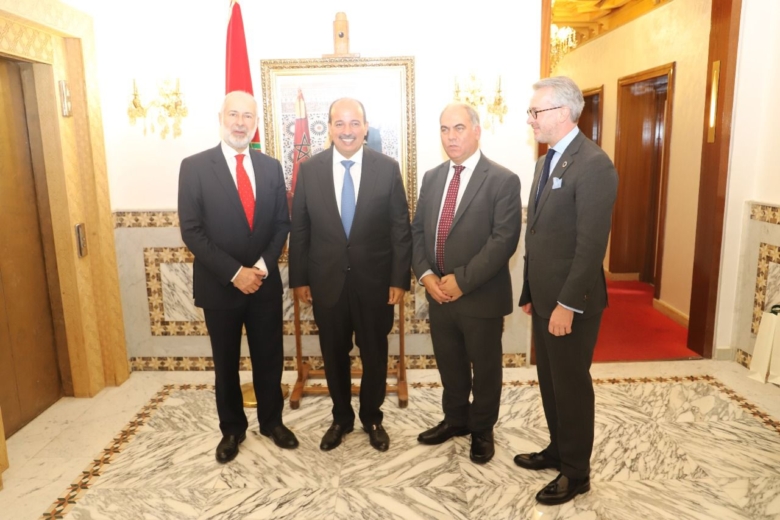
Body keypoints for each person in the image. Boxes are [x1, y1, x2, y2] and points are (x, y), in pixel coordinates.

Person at [178, 91, 298, 464]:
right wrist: (235, 273)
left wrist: (260, 268)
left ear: (256, 123)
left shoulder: (270, 167)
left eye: (248, 116)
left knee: (270, 359)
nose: (240, 122)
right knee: (226, 363)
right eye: (234, 114)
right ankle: (232, 429)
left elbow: (281, 224)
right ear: (221, 118)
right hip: (219, 286)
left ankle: (272, 422)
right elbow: (192, 231)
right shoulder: (195, 167)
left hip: (263, 284)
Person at [514, 76, 618, 505]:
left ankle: (576, 473)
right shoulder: (546, 161)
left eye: (535, 111)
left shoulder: (594, 164)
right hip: (544, 298)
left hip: (571, 303)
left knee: (571, 386)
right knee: (550, 381)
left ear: (562, 113)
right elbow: (538, 233)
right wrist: (529, 291)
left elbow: (590, 246)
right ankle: (558, 449)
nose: (531, 119)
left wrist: (566, 305)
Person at [288, 97, 412, 452]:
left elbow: (399, 229)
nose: (347, 130)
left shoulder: (387, 168)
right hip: (326, 283)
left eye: (354, 123)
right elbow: (301, 229)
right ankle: (341, 417)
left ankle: (372, 417)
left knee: (375, 354)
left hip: (375, 284)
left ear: (365, 128)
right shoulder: (309, 170)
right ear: (328, 128)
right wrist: (299, 279)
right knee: (333, 354)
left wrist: (399, 279)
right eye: (339, 123)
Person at [412, 102, 521, 464]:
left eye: (458, 128)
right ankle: (455, 419)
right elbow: (417, 232)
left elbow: (503, 241)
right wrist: (427, 276)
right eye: (444, 129)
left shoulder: (502, 180)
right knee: (450, 364)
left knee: (485, 368)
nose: (451, 137)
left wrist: (462, 281)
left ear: (476, 130)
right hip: (438, 294)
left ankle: (482, 428)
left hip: (480, 295)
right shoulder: (432, 177)